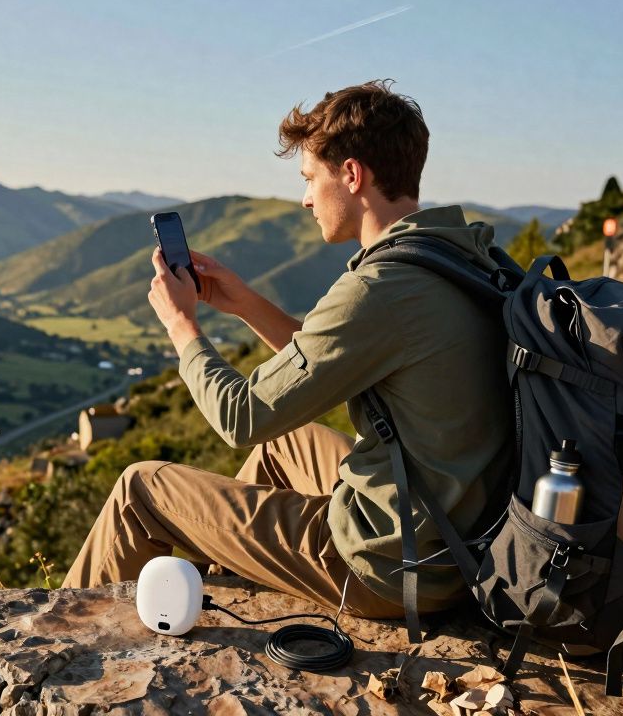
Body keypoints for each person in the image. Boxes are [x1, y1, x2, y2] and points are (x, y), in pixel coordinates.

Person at [62, 79, 514, 619]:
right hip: (456, 528)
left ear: (352, 175)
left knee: (141, 490)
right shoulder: (457, 255)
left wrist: (182, 327)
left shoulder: (380, 288)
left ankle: (57, 638)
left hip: (393, 563)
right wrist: (246, 304)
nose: (304, 198)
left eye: (309, 178)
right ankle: (224, 583)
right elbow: (336, 358)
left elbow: (242, 417)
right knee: (285, 445)